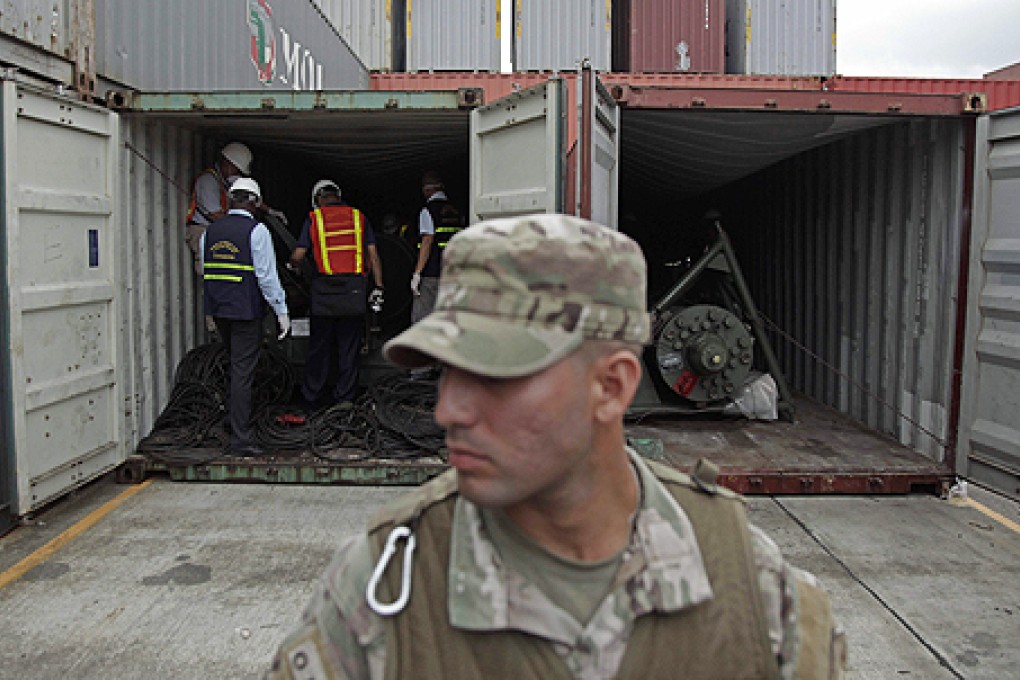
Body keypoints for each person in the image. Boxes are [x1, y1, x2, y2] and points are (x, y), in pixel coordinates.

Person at [266, 214, 846, 679]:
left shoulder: (752, 592)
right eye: (448, 371)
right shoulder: (384, 588)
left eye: (496, 376)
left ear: (611, 386)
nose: (447, 411)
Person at [201, 178, 290, 457]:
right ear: (253, 202)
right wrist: (282, 311)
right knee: (242, 372)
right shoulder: (257, 231)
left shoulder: (209, 232)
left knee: (234, 366)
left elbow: (207, 272)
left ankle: (231, 422)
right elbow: (266, 276)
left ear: (230, 200)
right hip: (245, 312)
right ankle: (241, 439)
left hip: (219, 311)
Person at [289, 179, 384, 409]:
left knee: (319, 348)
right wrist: (379, 287)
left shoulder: (315, 218)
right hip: (353, 292)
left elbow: (299, 256)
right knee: (349, 348)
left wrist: (294, 265)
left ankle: (311, 399)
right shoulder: (358, 217)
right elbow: (373, 255)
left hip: (324, 293)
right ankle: (345, 401)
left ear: (318, 199)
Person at [187, 142, 253, 275]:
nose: (238, 174)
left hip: (217, 229)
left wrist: (268, 209)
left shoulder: (223, 181)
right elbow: (215, 215)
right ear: (227, 164)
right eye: (237, 170)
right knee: (209, 271)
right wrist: (240, 226)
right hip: (203, 230)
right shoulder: (208, 181)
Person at [410, 170, 464, 323]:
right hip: (453, 269)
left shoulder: (428, 211)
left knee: (423, 317)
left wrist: (418, 273)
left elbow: (427, 241)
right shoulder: (457, 211)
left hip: (432, 273)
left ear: (427, 190)